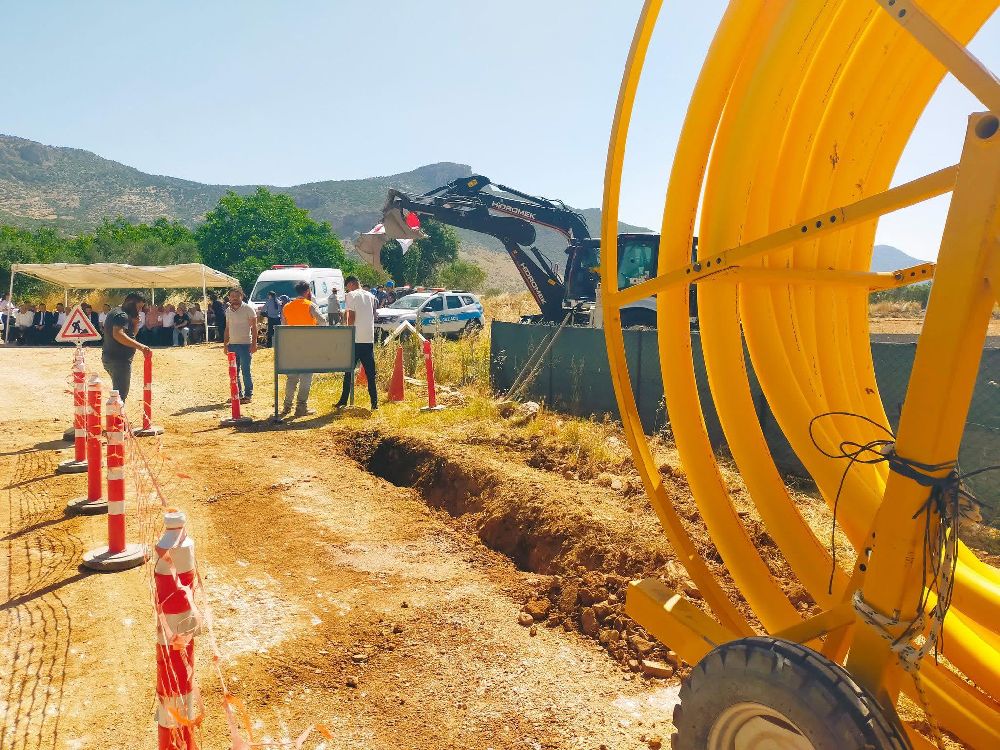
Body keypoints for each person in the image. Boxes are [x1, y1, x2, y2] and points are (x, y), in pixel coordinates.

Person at [280, 280, 326, 416]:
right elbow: (323, 322)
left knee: (292, 378)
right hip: (308, 345)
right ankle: (301, 407)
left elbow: (284, 324)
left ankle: (287, 406)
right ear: (307, 291)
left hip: (292, 345)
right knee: (306, 377)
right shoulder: (310, 305)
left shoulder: (287, 307)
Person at [336, 276, 378, 410]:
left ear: (352, 284)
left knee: (348, 372)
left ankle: (343, 401)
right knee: (371, 374)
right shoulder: (370, 296)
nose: (346, 289)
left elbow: (351, 317)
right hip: (368, 339)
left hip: (355, 338)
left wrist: (347, 330)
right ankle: (374, 403)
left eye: (347, 286)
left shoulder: (351, 295)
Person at [102, 293, 151, 401]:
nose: (139, 310)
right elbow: (118, 334)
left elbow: (130, 336)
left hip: (113, 359)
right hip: (119, 361)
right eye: (138, 307)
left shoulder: (117, 312)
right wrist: (141, 347)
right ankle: (116, 417)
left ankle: (116, 416)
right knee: (120, 397)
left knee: (118, 394)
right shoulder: (122, 315)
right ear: (131, 303)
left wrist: (135, 324)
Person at [223, 288, 258, 404]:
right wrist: (225, 345)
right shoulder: (228, 310)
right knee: (234, 371)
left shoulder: (248, 309)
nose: (234, 298)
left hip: (245, 345)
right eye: (232, 296)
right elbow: (227, 328)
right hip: (232, 345)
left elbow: (254, 328)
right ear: (229, 297)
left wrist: (254, 344)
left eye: (237, 296)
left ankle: (248, 395)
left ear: (241, 297)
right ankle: (237, 394)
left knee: (246, 371)